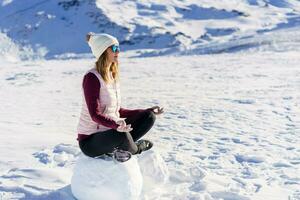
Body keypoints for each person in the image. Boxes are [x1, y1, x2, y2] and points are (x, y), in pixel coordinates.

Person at [77, 32, 164, 162]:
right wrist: (116, 125)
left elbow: (116, 110)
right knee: (120, 134)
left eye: (118, 48)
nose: (118, 51)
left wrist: (146, 111)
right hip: (91, 141)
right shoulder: (92, 78)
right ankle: (136, 148)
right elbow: (94, 115)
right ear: (103, 51)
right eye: (114, 48)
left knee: (148, 117)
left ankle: (123, 146)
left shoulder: (111, 75)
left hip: (111, 131)